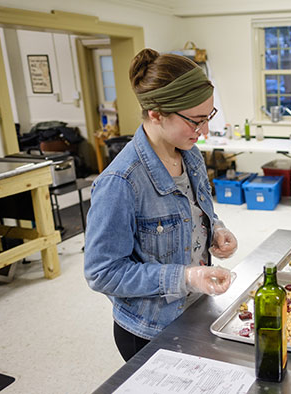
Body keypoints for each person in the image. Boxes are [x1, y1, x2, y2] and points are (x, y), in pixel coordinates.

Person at [84, 48, 238, 361]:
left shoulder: (189, 152)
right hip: (149, 329)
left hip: (195, 309)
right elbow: (102, 272)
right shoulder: (121, 182)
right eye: (196, 121)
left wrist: (216, 229)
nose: (205, 131)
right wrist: (185, 277)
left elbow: (194, 212)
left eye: (208, 117)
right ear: (156, 114)